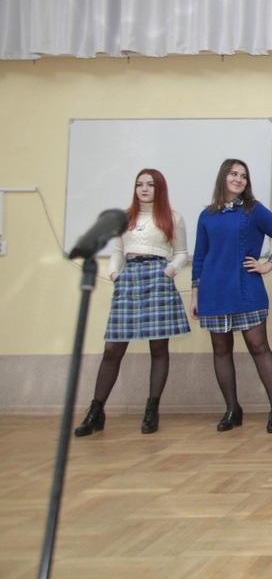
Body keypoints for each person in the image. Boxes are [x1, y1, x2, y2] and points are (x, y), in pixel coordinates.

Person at [74, 169, 191, 437]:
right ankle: (96, 411)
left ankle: (152, 409)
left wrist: (169, 270)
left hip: (158, 278)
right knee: (112, 349)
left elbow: (182, 253)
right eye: (139, 184)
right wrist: (115, 274)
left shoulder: (173, 218)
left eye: (150, 184)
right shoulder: (125, 218)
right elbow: (117, 251)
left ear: (159, 188)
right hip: (129, 278)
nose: (144, 189)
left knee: (158, 347)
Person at [190, 159, 272, 433]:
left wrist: (268, 265)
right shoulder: (206, 215)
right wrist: (195, 294)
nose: (238, 179)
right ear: (223, 177)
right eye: (233, 174)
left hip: (247, 290)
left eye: (244, 176)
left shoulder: (253, 210)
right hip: (213, 293)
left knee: (259, 347)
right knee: (221, 350)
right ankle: (232, 409)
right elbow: (200, 257)